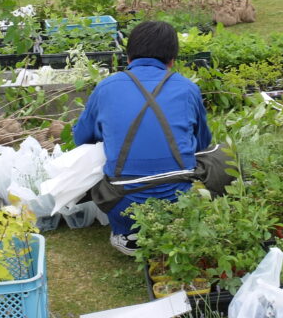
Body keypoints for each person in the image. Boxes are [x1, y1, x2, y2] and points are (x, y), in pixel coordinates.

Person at [73, 20, 219, 255]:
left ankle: (126, 233)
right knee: (216, 156)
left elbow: (82, 139)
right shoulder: (188, 88)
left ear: (128, 57)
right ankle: (181, 225)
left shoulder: (106, 87)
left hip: (122, 200)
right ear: (172, 60)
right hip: (179, 197)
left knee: (101, 155)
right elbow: (202, 143)